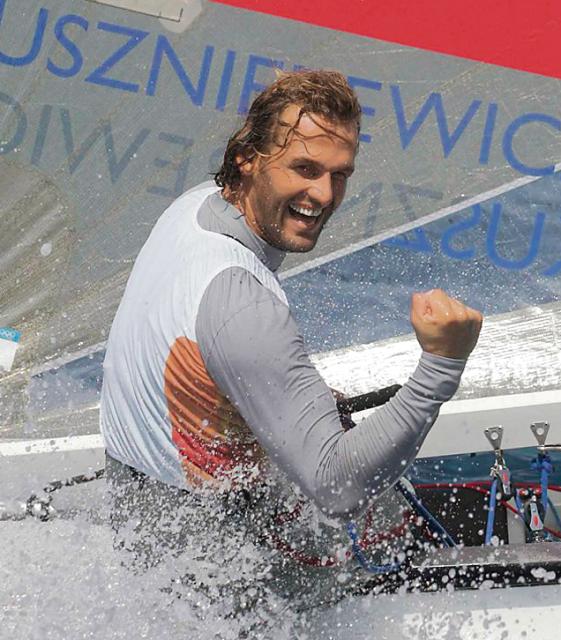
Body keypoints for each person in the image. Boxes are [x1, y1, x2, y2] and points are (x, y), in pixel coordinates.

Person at [100, 69, 482, 625]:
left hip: (139, 515)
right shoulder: (242, 308)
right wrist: (441, 367)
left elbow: (210, 357)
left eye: (339, 175)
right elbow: (336, 488)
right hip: (214, 582)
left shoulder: (194, 208)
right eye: (305, 169)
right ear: (247, 158)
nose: (324, 195)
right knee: (393, 527)